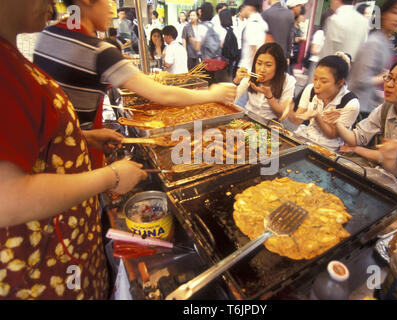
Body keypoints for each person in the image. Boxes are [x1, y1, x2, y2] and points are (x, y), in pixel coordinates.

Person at [0, 0, 147, 300]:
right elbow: (7, 197)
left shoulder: (14, 54)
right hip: (39, 272)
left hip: (63, 250)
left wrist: (81, 137)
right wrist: (111, 177)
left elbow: (31, 139)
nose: (53, 4)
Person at [34, 0, 236, 168]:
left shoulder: (47, 35)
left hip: (46, 152)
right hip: (73, 160)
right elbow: (162, 95)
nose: (112, 9)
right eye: (109, 0)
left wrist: (88, 136)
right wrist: (213, 94)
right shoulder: (99, 51)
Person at [324, 58, 397, 183]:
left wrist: (357, 150)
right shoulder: (386, 108)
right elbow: (357, 138)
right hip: (379, 173)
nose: (389, 84)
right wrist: (337, 122)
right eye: (389, 77)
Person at [348, 0, 397, 119]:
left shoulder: (386, 41)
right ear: (384, 14)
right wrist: (385, 76)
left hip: (365, 104)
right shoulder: (375, 42)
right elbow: (360, 79)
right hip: (357, 107)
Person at [286, 53, 360, 151]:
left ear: (340, 82)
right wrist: (289, 112)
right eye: (315, 78)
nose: (316, 85)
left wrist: (317, 116)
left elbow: (331, 135)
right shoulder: (310, 89)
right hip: (305, 137)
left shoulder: (350, 103)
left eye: (324, 81)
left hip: (328, 148)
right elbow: (298, 119)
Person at [233, 42, 296, 120]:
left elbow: (282, 115)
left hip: (270, 125)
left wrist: (269, 96)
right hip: (247, 119)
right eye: (259, 63)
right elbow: (231, 99)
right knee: (226, 131)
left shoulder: (288, 81)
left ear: (278, 66)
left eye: (268, 65)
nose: (262, 70)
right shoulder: (250, 75)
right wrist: (236, 81)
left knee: (255, 133)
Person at [305, 10, 333, 85]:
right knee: (311, 85)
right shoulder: (320, 33)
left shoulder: (331, 35)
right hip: (316, 63)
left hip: (326, 64)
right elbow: (313, 50)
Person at [238, 0, 268, 70]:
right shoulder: (260, 22)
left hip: (247, 68)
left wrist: (253, 72)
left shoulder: (253, 24)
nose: (243, 9)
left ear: (250, 7)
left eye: (244, 6)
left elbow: (255, 49)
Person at [219, 9, 239, 79]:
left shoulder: (221, 31)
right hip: (232, 58)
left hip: (224, 58)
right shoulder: (234, 29)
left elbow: (221, 45)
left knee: (222, 78)